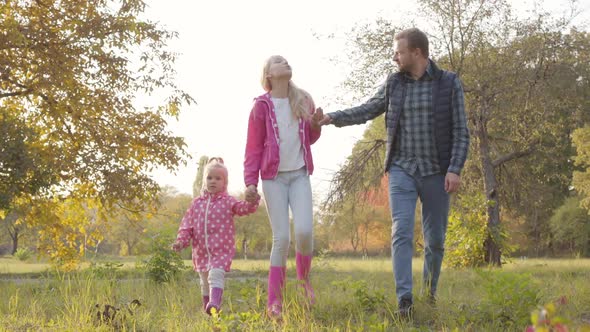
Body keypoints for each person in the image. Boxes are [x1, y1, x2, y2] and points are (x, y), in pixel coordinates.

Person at [318, 28, 470, 317]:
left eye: (398, 51)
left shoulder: (448, 83)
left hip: (437, 171)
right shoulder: (394, 83)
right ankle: (405, 300)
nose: (394, 56)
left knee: (435, 239)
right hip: (402, 168)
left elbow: (462, 132)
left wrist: (455, 169)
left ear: (417, 52)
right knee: (401, 230)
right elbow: (369, 109)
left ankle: (429, 293)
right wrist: (332, 118)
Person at [243, 55, 323, 319]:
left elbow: (310, 139)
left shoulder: (303, 99)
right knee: (282, 238)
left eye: (287, 61)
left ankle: (304, 282)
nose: (285, 63)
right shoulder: (261, 107)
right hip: (273, 179)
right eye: (278, 61)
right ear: (268, 74)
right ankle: (274, 301)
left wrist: (314, 125)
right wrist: (250, 182)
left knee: (304, 231)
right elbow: (253, 148)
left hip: (300, 175)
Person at [172, 157, 260, 315]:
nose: (213, 181)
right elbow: (187, 226)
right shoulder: (196, 204)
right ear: (204, 180)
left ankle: (214, 302)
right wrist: (181, 241)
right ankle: (210, 313)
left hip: (221, 250)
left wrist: (252, 202)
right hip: (201, 251)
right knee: (204, 281)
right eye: (209, 177)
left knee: (215, 274)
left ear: (224, 182)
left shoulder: (228, 201)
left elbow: (242, 208)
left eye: (218, 178)